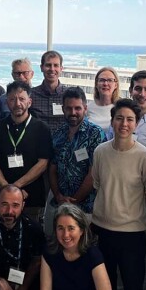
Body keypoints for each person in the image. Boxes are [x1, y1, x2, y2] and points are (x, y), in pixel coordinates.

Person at [91, 98, 146, 290]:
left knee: (132, 289)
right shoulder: (100, 152)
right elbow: (98, 184)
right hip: (102, 230)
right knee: (104, 286)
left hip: (132, 235)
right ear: (112, 120)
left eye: (130, 119)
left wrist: (129, 215)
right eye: (119, 118)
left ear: (136, 124)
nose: (124, 124)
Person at [0, 80, 53, 223]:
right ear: (6, 102)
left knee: (31, 232)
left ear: (29, 102)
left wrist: (15, 187)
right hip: (2, 197)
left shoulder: (42, 128)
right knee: (2, 230)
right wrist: (8, 190)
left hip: (31, 195)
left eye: (22, 99)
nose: (17, 103)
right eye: (12, 99)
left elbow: (43, 163)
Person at [45, 87, 106, 235]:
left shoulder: (96, 134)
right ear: (63, 109)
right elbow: (52, 168)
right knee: (57, 243)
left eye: (77, 108)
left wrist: (73, 201)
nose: (73, 112)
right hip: (59, 205)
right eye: (69, 108)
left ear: (85, 108)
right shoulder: (58, 134)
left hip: (85, 208)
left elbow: (93, 173)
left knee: (84, 245)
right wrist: (58, 196)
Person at [106, 70, 146, 163]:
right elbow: (109, 148)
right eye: (138, 88)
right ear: (130, 91)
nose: (142, 94)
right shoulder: (118, 118)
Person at [29, 50, 68, 133]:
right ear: (41, 68)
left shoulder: (69, 95)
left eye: (56, 65)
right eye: (48, 65)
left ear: (61, 69)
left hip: (63, 140)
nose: (52, 69)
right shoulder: (31, 94)